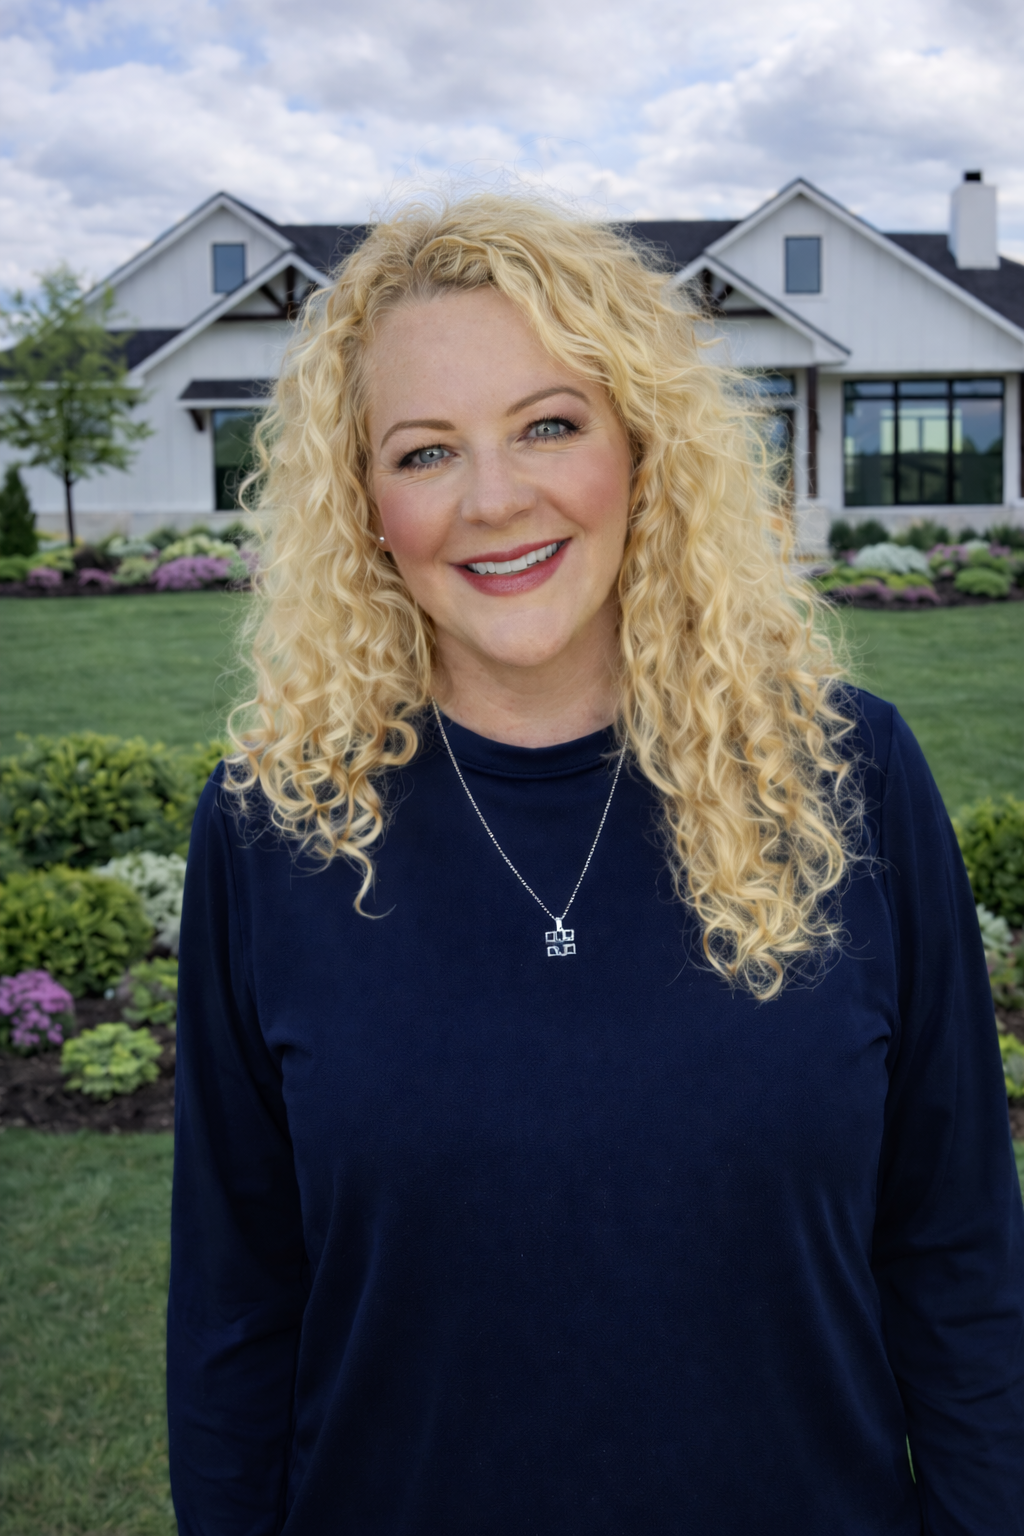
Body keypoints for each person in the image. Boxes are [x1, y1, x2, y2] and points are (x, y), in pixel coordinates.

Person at [167, 193, 1024, 1536]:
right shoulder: (275, 826)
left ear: (642, 445)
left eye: (548, 425)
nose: (496, 499)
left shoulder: (845, 779)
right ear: (362, 502)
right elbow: (237, 1304)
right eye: (426, 451)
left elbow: (959, 1252)